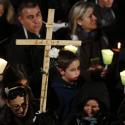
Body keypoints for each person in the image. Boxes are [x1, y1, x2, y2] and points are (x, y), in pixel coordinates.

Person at [5, 0, 46, 98]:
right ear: (21, 20)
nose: (36, 21)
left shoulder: (50, 31)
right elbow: (22, 76)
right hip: (32, 90)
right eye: (30, 17)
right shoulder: (15, 44)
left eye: (38, 15)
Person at [47, 50, 83, 125]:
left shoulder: (80, 83)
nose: (77, 72)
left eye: (78, 68)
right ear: (62, 71)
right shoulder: (56, 90)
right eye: (72, 70)